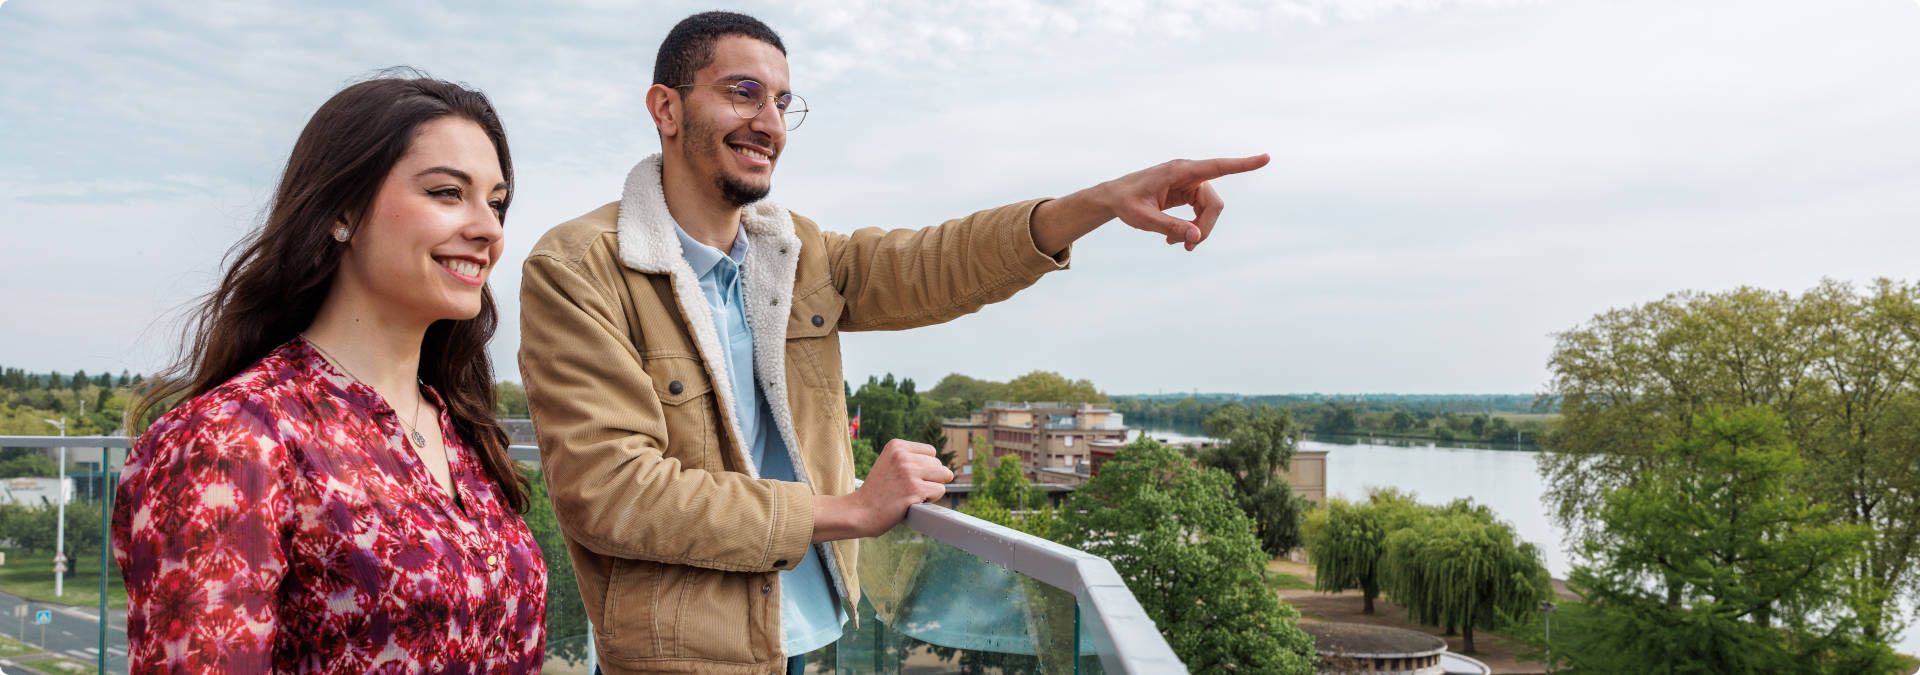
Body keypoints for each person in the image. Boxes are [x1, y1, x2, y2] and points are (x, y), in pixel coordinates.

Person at [517, 11, 1266, 674]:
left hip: (816, 634)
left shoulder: (793, 252)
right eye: (742, 92)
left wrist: (1100, 203)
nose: (770, 122)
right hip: (684, 657)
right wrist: (850, 510)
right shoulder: (580, 268)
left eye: (783, 102)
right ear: (666, 108)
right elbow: (613, 493)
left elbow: (941, 262)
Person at [113, 74, 547, 673]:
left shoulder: (458, 429)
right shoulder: (234, 440)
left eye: (495, 202)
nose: (489, 229)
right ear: (342, 210)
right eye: (448, 193)